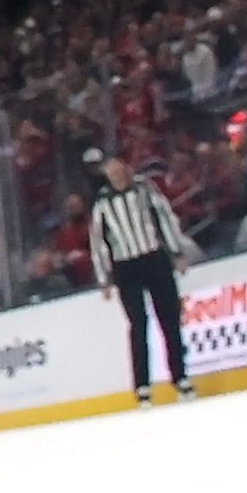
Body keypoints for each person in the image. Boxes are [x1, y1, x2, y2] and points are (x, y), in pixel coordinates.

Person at [87, 150, 203, 405]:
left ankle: (180, 377)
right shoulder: (102, 203)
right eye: (112, 172)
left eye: (119, 169)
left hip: (154, 258)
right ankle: (142, 386)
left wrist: (176, 253)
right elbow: (98, 242)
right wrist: (103, 277)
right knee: (138, 325)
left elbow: (165, 219)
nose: (117, 175)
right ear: (106, 174)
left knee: (169, 320)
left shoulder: (144, 189)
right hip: (125, 266)